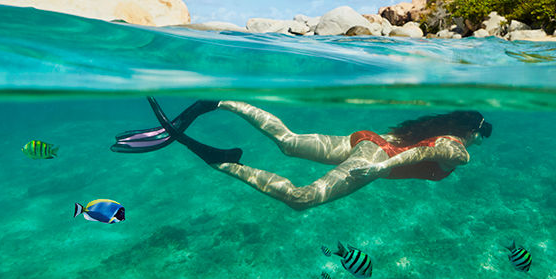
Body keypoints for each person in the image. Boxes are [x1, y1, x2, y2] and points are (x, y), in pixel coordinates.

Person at [112, 97, 492, 211]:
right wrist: (382, 166)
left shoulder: (429, 127)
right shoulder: (458, 149)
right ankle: (224, 162)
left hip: (366, 141)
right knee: (302, 198)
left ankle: (222, 103)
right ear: (470, 132)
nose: (478, 141)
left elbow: (418, 143)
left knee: (289, 142)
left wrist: (380, 155)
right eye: (480, 134)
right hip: (374, 160)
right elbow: (426, 152)